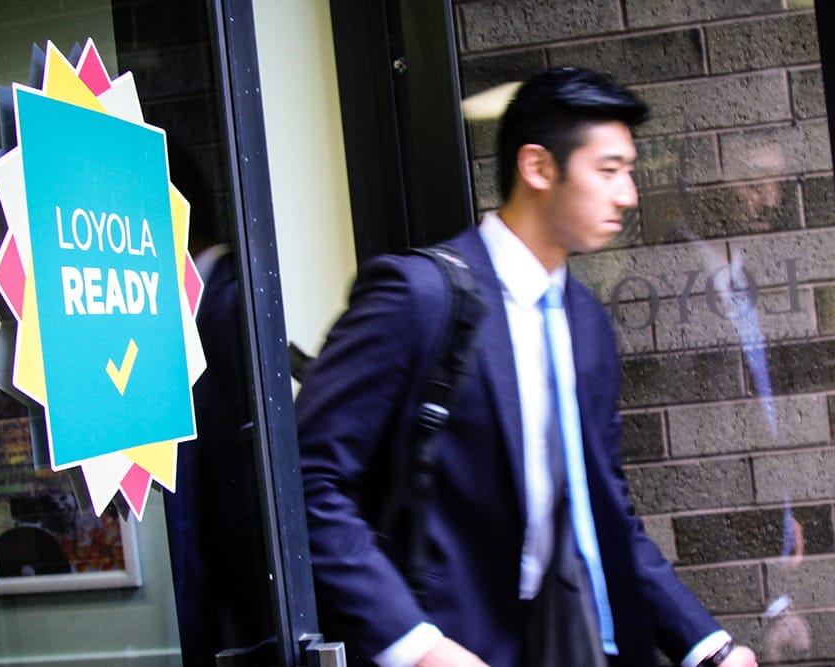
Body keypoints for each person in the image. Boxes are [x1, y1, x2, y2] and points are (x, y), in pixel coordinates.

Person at [296, 67, 758, 667]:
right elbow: (310, 481)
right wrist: (416, 647)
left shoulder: (585, 321)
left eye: (630, 172)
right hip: (454, 646)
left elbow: (605, 512)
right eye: (609, 170)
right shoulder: (418, 297)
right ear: (538, 167)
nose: (628, 194)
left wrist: (707, 647)